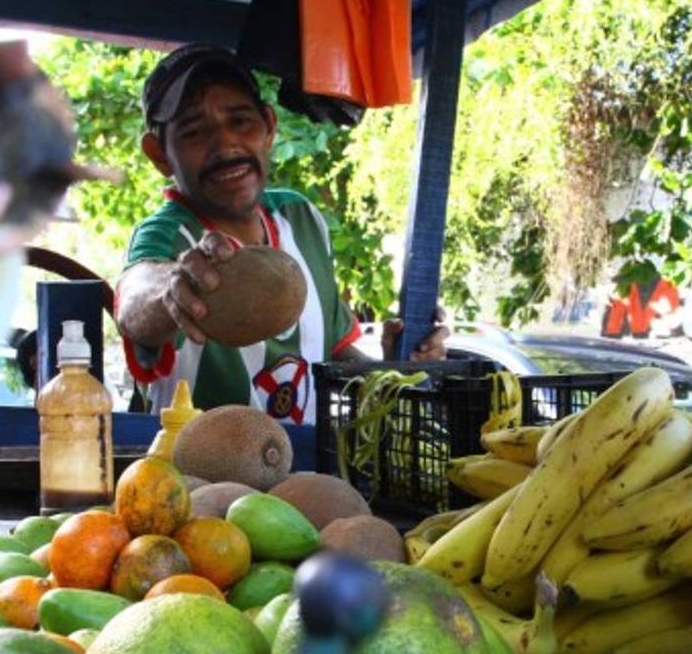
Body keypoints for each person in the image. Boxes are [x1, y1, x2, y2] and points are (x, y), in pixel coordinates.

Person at [114, 45, 447, 423]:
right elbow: (135, 296)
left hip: (309, 478)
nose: (226, 145)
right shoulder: (170, 236)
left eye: (241, 121)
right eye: (195, 132)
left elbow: (333, 358)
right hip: (202, 481)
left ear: (269, 127)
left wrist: (397, 367)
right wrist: (173, 289)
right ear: (158, 154)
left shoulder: (302, 217)